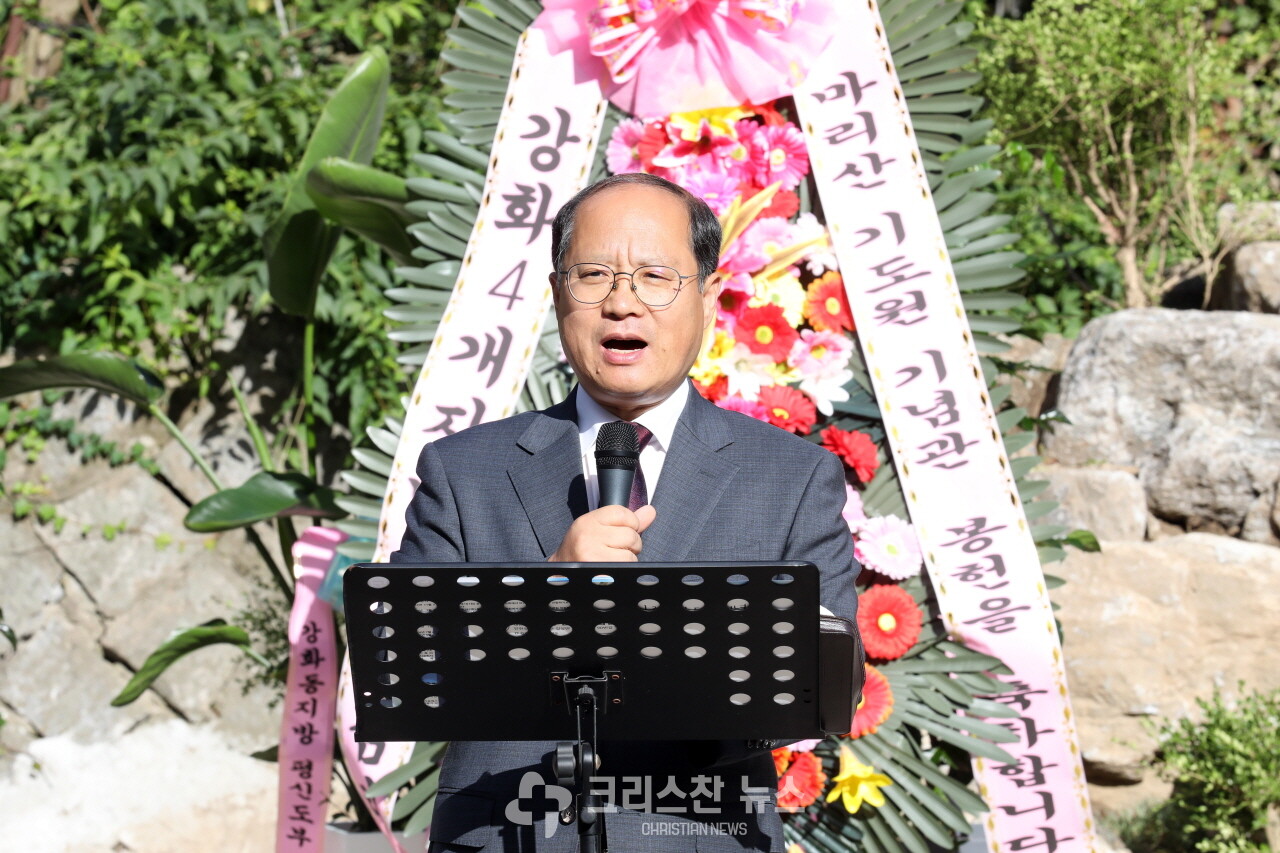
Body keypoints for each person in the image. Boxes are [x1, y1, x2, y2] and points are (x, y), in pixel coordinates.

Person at [393, 172, 862, 852]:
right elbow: (413, 669)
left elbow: (821, 685)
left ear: (706, 295)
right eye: (593, 274)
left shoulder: (791, 476)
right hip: (507, 833)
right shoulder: (463, 471)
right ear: (558, 296)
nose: (621, 302)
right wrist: (543, 592)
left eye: (653, 276)